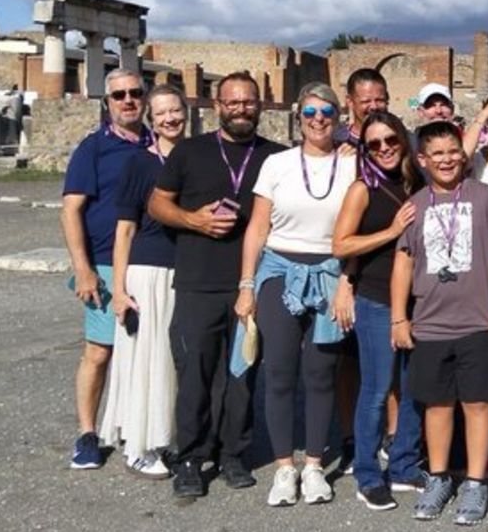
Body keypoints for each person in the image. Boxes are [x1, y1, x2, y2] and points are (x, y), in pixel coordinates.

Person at [149, 72, 285, 499]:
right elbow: (157, 203)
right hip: (198, 281)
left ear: (260, 105)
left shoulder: (278, 157)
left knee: (242, 372)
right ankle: (190, 456)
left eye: (248, 102)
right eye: (232, 102)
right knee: (196, 373)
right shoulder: (190, 152)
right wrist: (194, 220)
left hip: (254, 283)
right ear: (216, 106)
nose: (241, 109)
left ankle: (233, 453)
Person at [390, 121, 488, 525]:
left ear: (463, 155)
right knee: (438, 404)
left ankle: (476, 481)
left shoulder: (486, 198)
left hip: (479, 321)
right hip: (430, 322)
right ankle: (440, 477)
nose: (447, 159)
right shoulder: (415, 204)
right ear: (422, 160)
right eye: (437, 153)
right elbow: (404, 262)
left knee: (478, 403)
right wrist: (399, 317)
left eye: (453, 151)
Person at [238, 82, 356, 506]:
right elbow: (257, 227)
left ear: (339, 116)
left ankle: (314, 465)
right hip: (279, 271)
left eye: (326, 111)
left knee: (322, 373)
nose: (318, 119)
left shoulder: (353, 163)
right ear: (298, 118)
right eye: (309, 112)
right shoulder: (277, 163)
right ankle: (285, 468)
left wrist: (348, 281)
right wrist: (246, 285)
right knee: (280, 371)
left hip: (329, 271)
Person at [61, 68, 152, 469]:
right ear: (107, 102)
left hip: (149, 261)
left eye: (135, 93)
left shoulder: (159, 144)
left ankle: (140, 429)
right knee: (99, 352)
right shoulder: (93, 148)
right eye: (119, 95)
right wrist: (82, 268)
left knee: (146, 351)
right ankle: (86, 433)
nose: (128, 100)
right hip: (101, 259)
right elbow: (71, 209)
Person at [332, 110, 422, 510]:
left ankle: (402, 464)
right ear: (364, 150)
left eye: (391, 140)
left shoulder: (416, 180)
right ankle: (368, 473)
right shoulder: (361, 189)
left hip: (420, 299)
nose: (384, 148)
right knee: (376, 389)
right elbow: (341, 245)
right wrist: (390, 231)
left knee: (413, 386)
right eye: (374, 144)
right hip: (377, 298)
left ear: (403, 140)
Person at [99, 84, 186, 479]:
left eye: (176, 110)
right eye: (162, 113)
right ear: (152, 120)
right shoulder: (139, 164)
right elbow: (125, 230)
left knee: (170, 360)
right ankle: (138, 443)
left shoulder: (195, 158)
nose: (170, 118)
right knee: (145, 357)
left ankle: (165, 434)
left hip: (184, 271)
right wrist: (118, 289)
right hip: (148, 271)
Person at [337, 68, 390, 148]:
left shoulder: (405, 141)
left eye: (379, 100)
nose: (374, 107)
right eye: (366, 101)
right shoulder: (336, 143)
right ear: (350, 101)